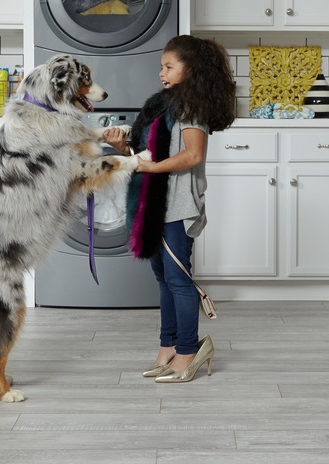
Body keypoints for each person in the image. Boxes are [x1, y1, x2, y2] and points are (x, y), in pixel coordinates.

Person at [102, 35, 236, 383]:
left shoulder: (192, 108)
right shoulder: (162, 107)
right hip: (156, 203)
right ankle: (168, 347)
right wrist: (124, 148)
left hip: (177, 205)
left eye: (168, 66)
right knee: (164, 278)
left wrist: (145, 167)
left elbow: (192, 156)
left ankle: (189, 350)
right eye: (161, 66)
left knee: (178, 279)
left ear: (190, 70)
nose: (161, 73)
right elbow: (149, 158)